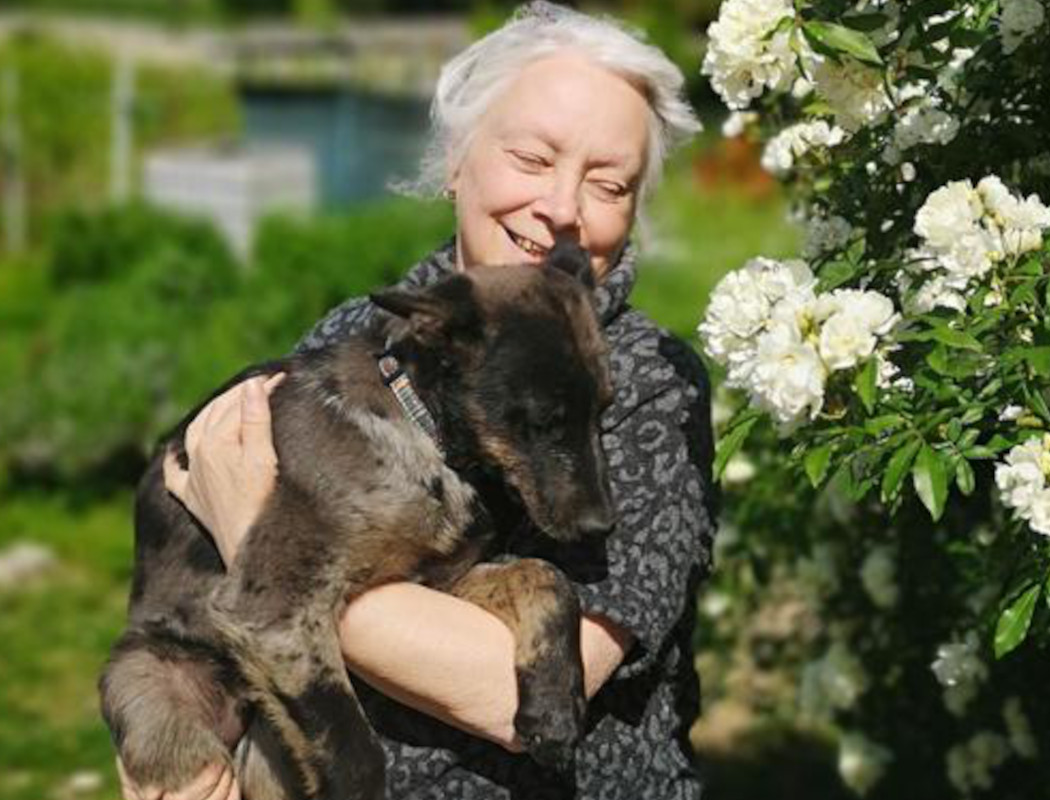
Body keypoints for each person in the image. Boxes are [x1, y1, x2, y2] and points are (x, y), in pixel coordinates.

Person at [115, 3, 717, 798]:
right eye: (533, 158)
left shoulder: (648, 382)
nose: (564, 208)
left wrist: (248, 524)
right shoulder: (361, 337)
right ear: (455, 161)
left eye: (609, 183)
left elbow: (506, 692)